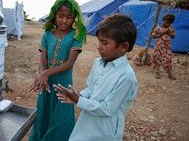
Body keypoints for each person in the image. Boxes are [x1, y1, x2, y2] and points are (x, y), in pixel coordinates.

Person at [54, 13, 138, 141]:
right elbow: (90, 89)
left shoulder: (126, 77)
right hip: (86, 122)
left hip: (105, 131)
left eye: (104, 43)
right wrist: (79, 95)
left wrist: (78, 100)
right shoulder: (98, 63)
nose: (99, 46)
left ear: (123, 47)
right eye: (99, 41)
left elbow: (107, 109)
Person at [28, 0, 87, 141]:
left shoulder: (76, 36)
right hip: (46, 81)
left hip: (63, 81)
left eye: (69, 17)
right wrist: (43, 75)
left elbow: (69, 63)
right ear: (54, 15)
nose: (64, 20)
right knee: (43, 111)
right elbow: (43, 59)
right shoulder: (47, 35)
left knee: (61, 114)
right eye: (61, 16)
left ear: (75, 18)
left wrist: (45, 73)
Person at [151, 14, 176, 80]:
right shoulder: (158, 28)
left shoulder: (170, 28)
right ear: (163, 20)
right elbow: (153, 36)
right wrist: (161, 34)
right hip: (158, 47)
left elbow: (173, 36)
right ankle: (157, 72)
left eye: (169, 23)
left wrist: (169, 33)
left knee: (168, 60)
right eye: (166, 22)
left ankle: (169, 73)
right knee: (156, 59)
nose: (167, 24)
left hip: (167, 47)